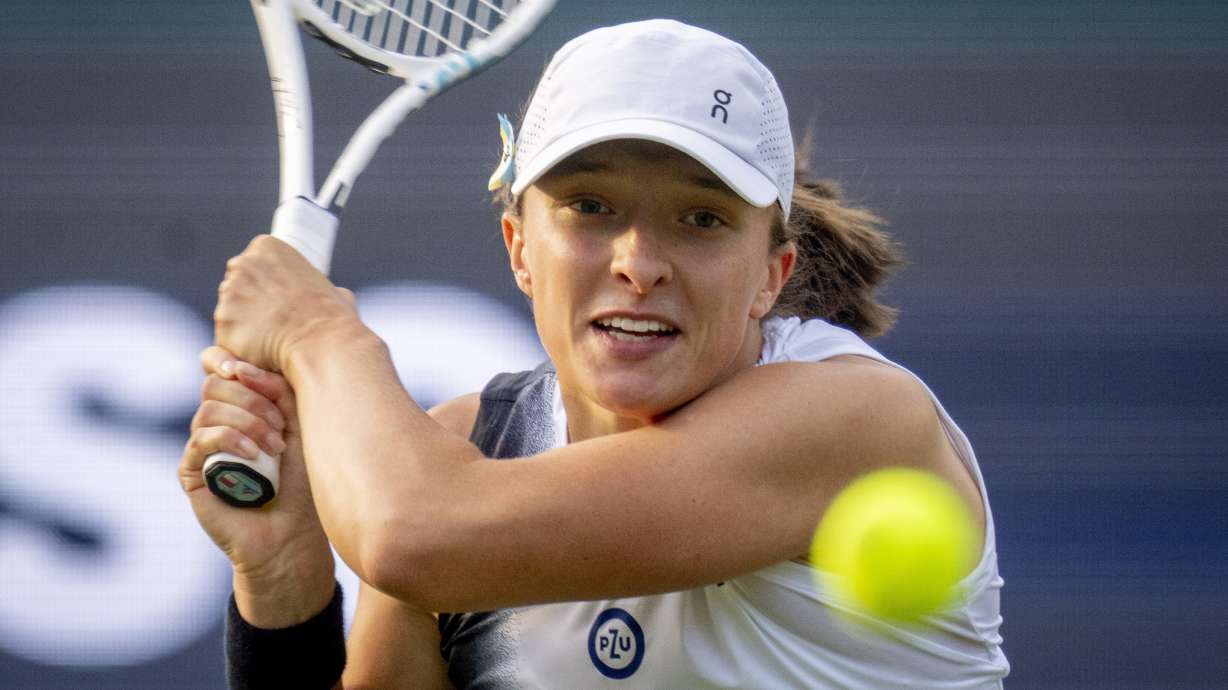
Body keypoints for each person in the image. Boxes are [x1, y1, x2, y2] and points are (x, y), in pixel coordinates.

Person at [180, 19, 1009, 689]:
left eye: (702, 218)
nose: (638, 262)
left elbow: (411, 535)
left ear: (772, 275)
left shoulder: (859, 421)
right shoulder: (471, 448)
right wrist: (283, 578)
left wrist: (318, 330)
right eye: (590, 206)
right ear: (519, 246)